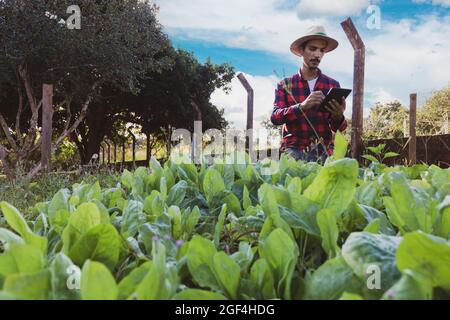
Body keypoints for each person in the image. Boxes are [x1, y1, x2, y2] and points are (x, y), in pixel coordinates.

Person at [271, 26, 347, 163]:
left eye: (321, 50)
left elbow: (339, 128)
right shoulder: (285, 84)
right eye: (313, 49)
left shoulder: (332, 85)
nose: (317, 55)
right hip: (294, 150)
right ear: (301, 50)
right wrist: (302, 106)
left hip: (324, 151)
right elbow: (275, 118)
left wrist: (338, 116)